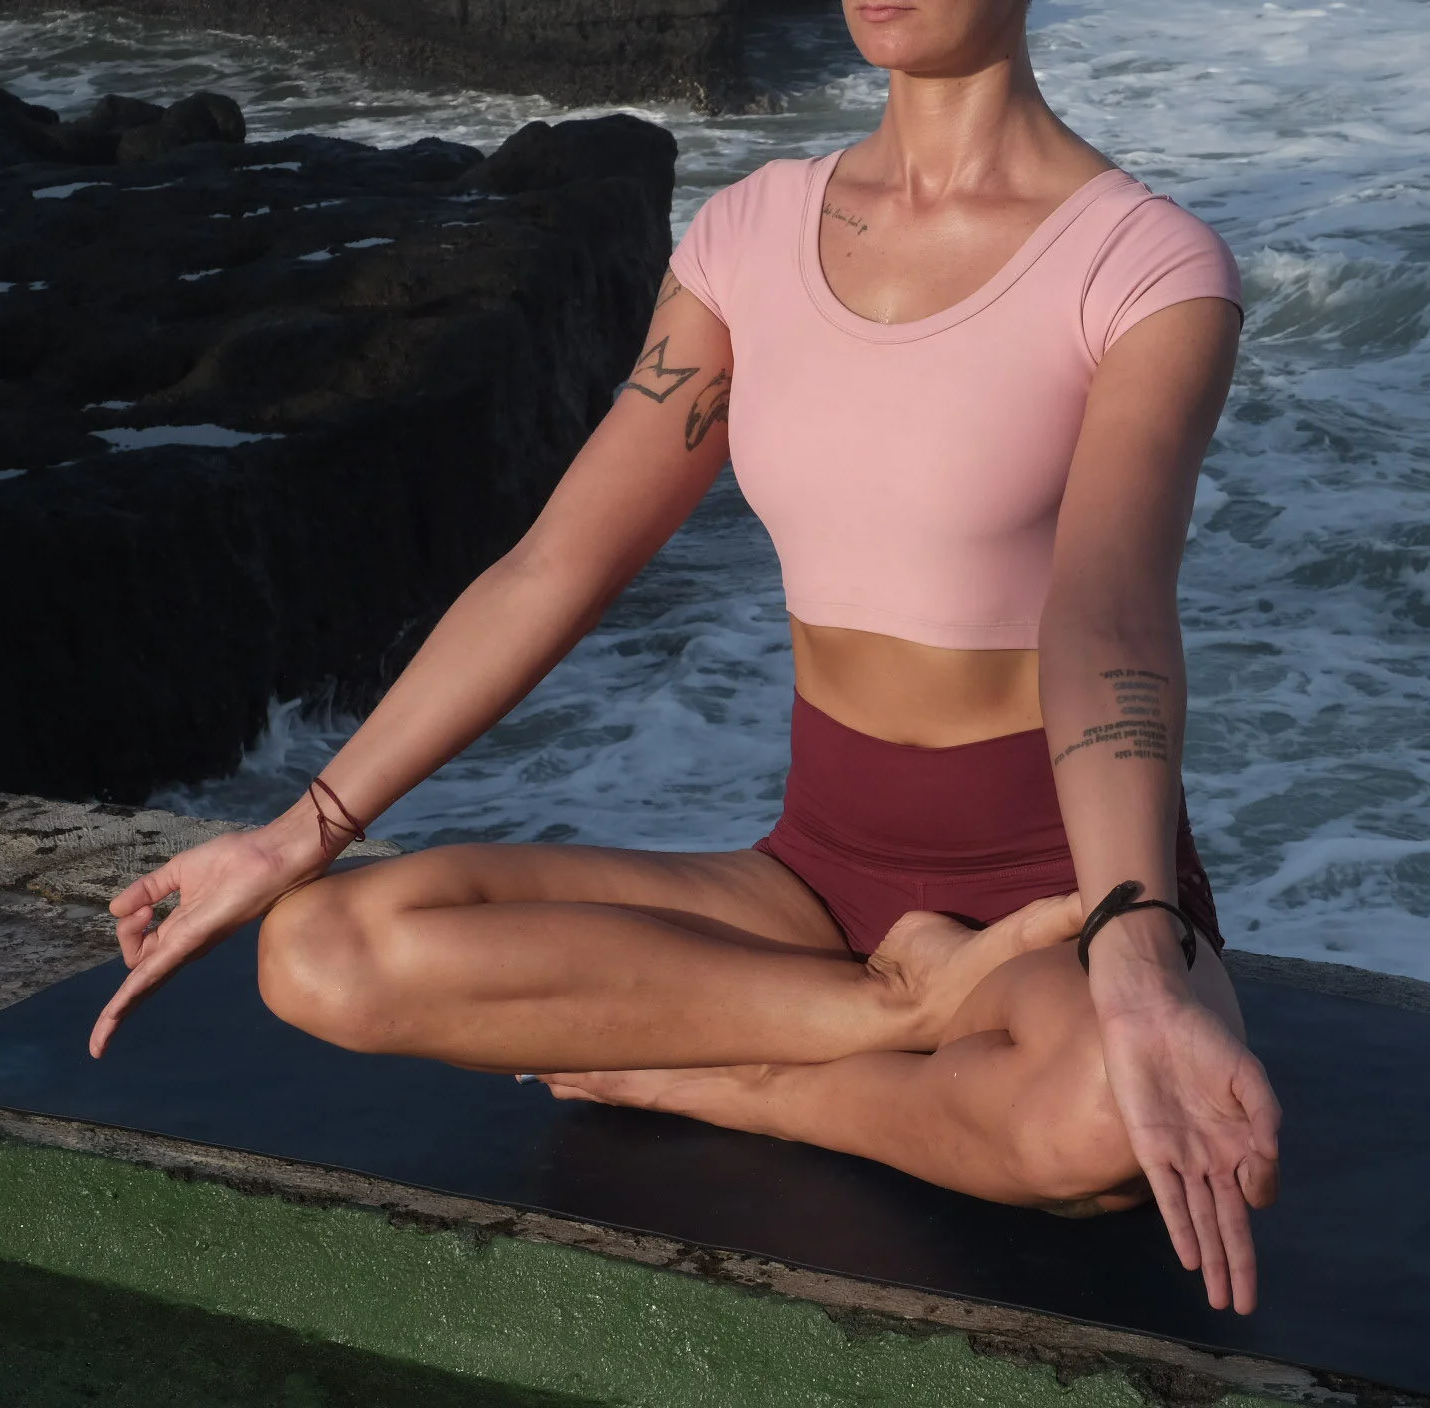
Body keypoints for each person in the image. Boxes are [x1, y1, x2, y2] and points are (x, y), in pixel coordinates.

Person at [89, 0, 1281, 1315]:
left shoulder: (1143, 264)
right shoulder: (751, 238)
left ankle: (734, 1076)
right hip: (816, 881)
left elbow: (1109, 613)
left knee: (1108, 1122)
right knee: (318, 953)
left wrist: (1131, 932)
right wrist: (295, 833)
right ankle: (890, 1015)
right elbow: (555, 566)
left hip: (1056, 887)